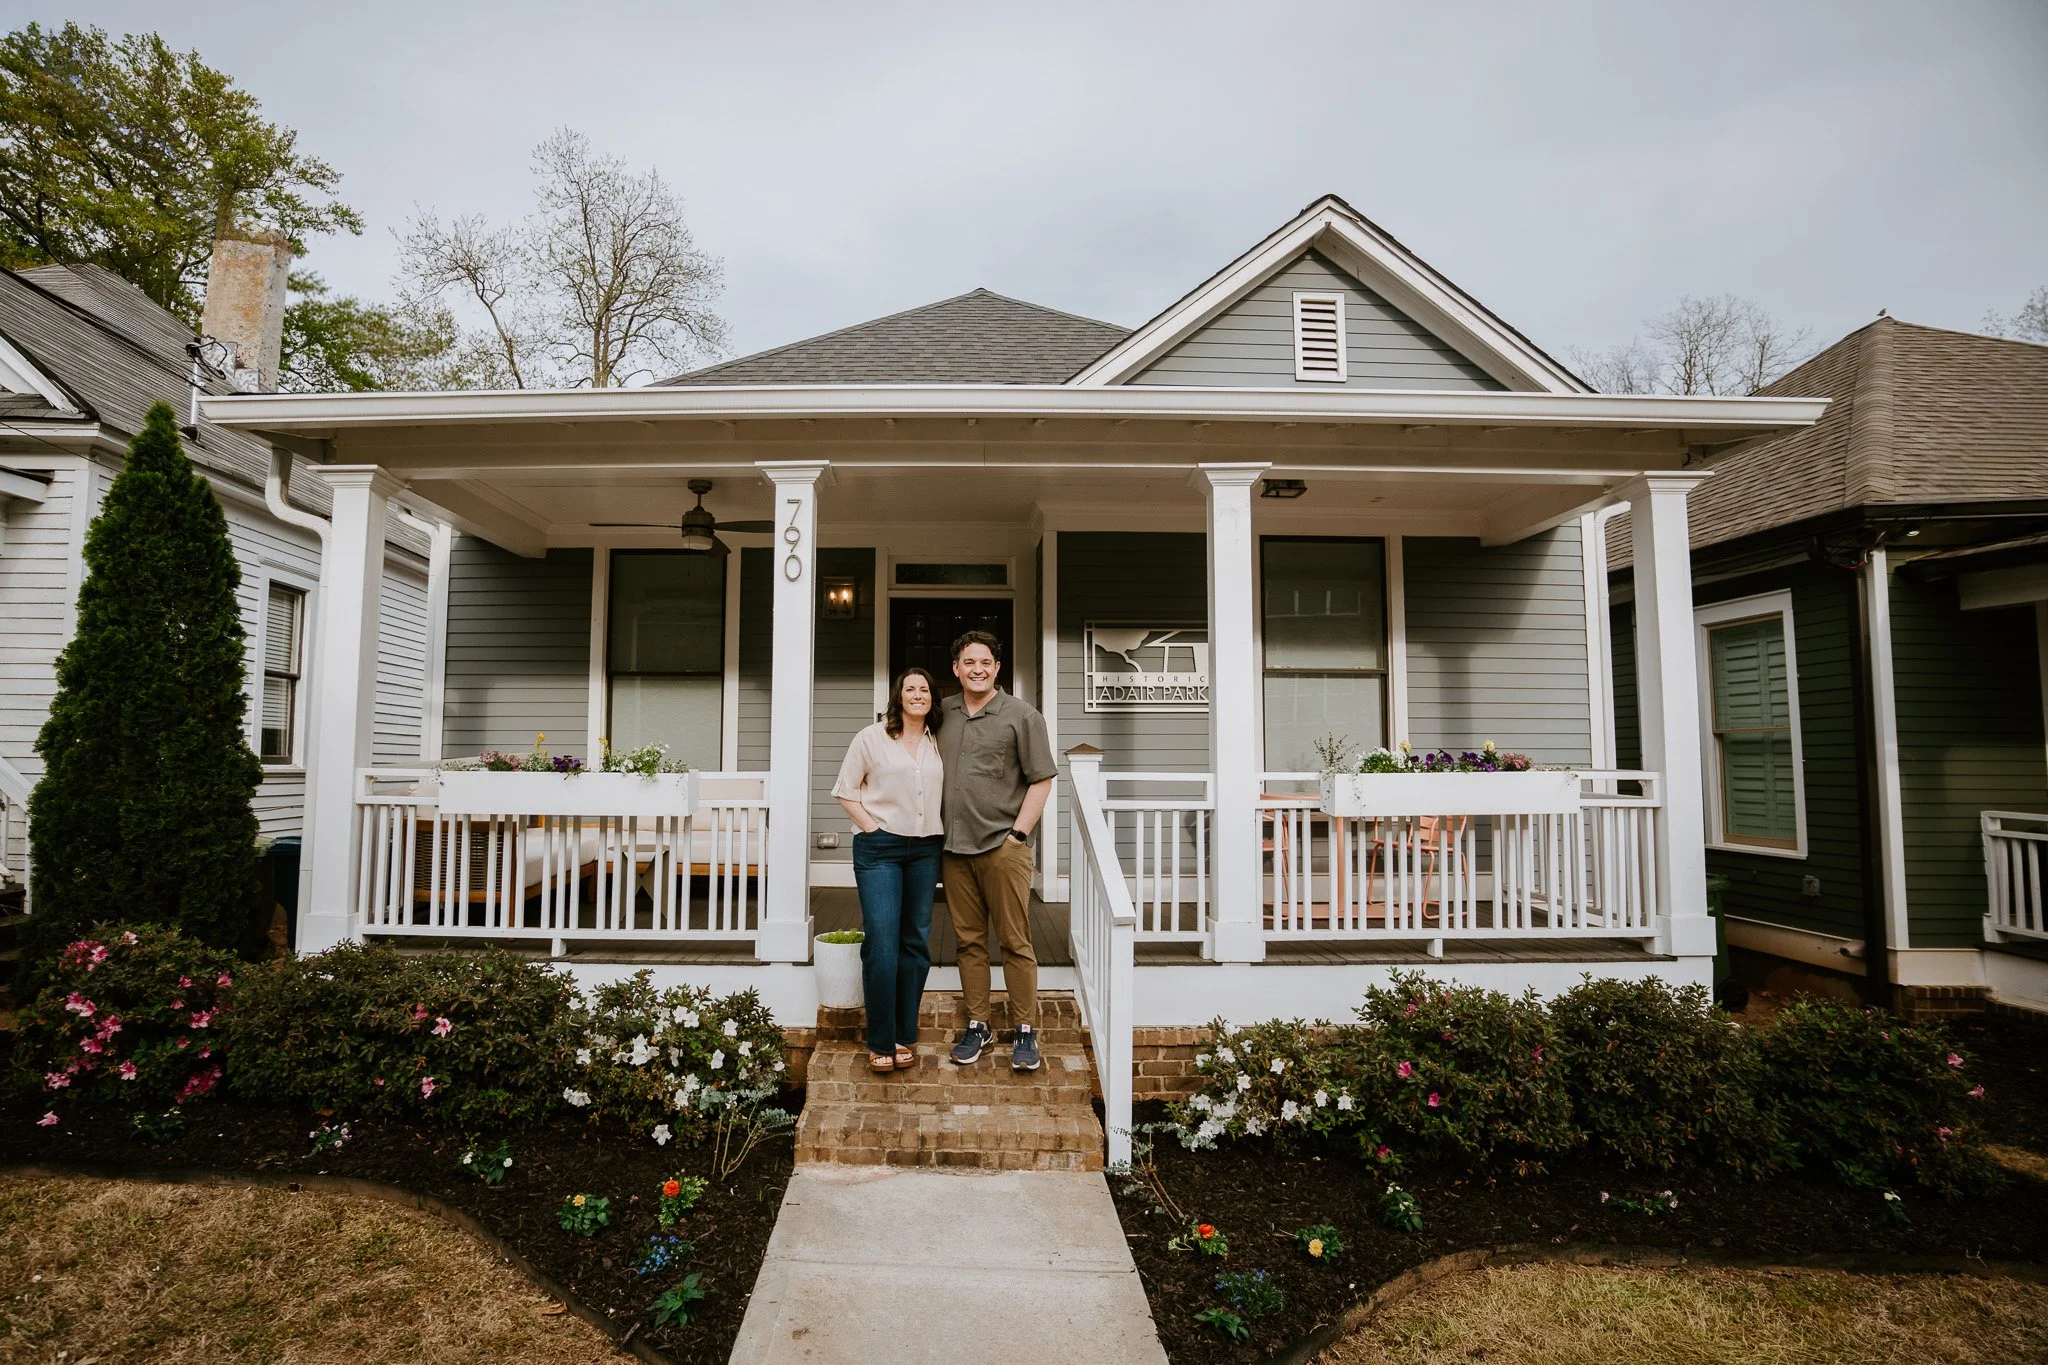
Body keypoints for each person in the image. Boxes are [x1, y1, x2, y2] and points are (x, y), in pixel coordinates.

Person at [936, 631, 1057, 1071]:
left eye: (985, 662)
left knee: (1014, 941)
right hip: (953, 849)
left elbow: (1042, 779)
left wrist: (1018, 836)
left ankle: (1025, 1031)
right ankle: (979, 1025)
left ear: (997, 668)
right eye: (969, 662)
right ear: (956, 668)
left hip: (1003, 847)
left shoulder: (1022, 716)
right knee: (968, 942)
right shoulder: (941, 712)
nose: (978, 669)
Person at [832, 667, 947, 1074]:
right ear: (898, 696)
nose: (917, 694)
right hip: (880, 848)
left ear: (932, 697)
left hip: (926, 849)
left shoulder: (938, 740)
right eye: (909, 688)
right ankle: (880, 1039)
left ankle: (903, 1033)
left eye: (924, 689)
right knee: (882, 941)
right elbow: (845, 791)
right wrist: (872, 827)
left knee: (915, 941)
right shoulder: (871, 737)